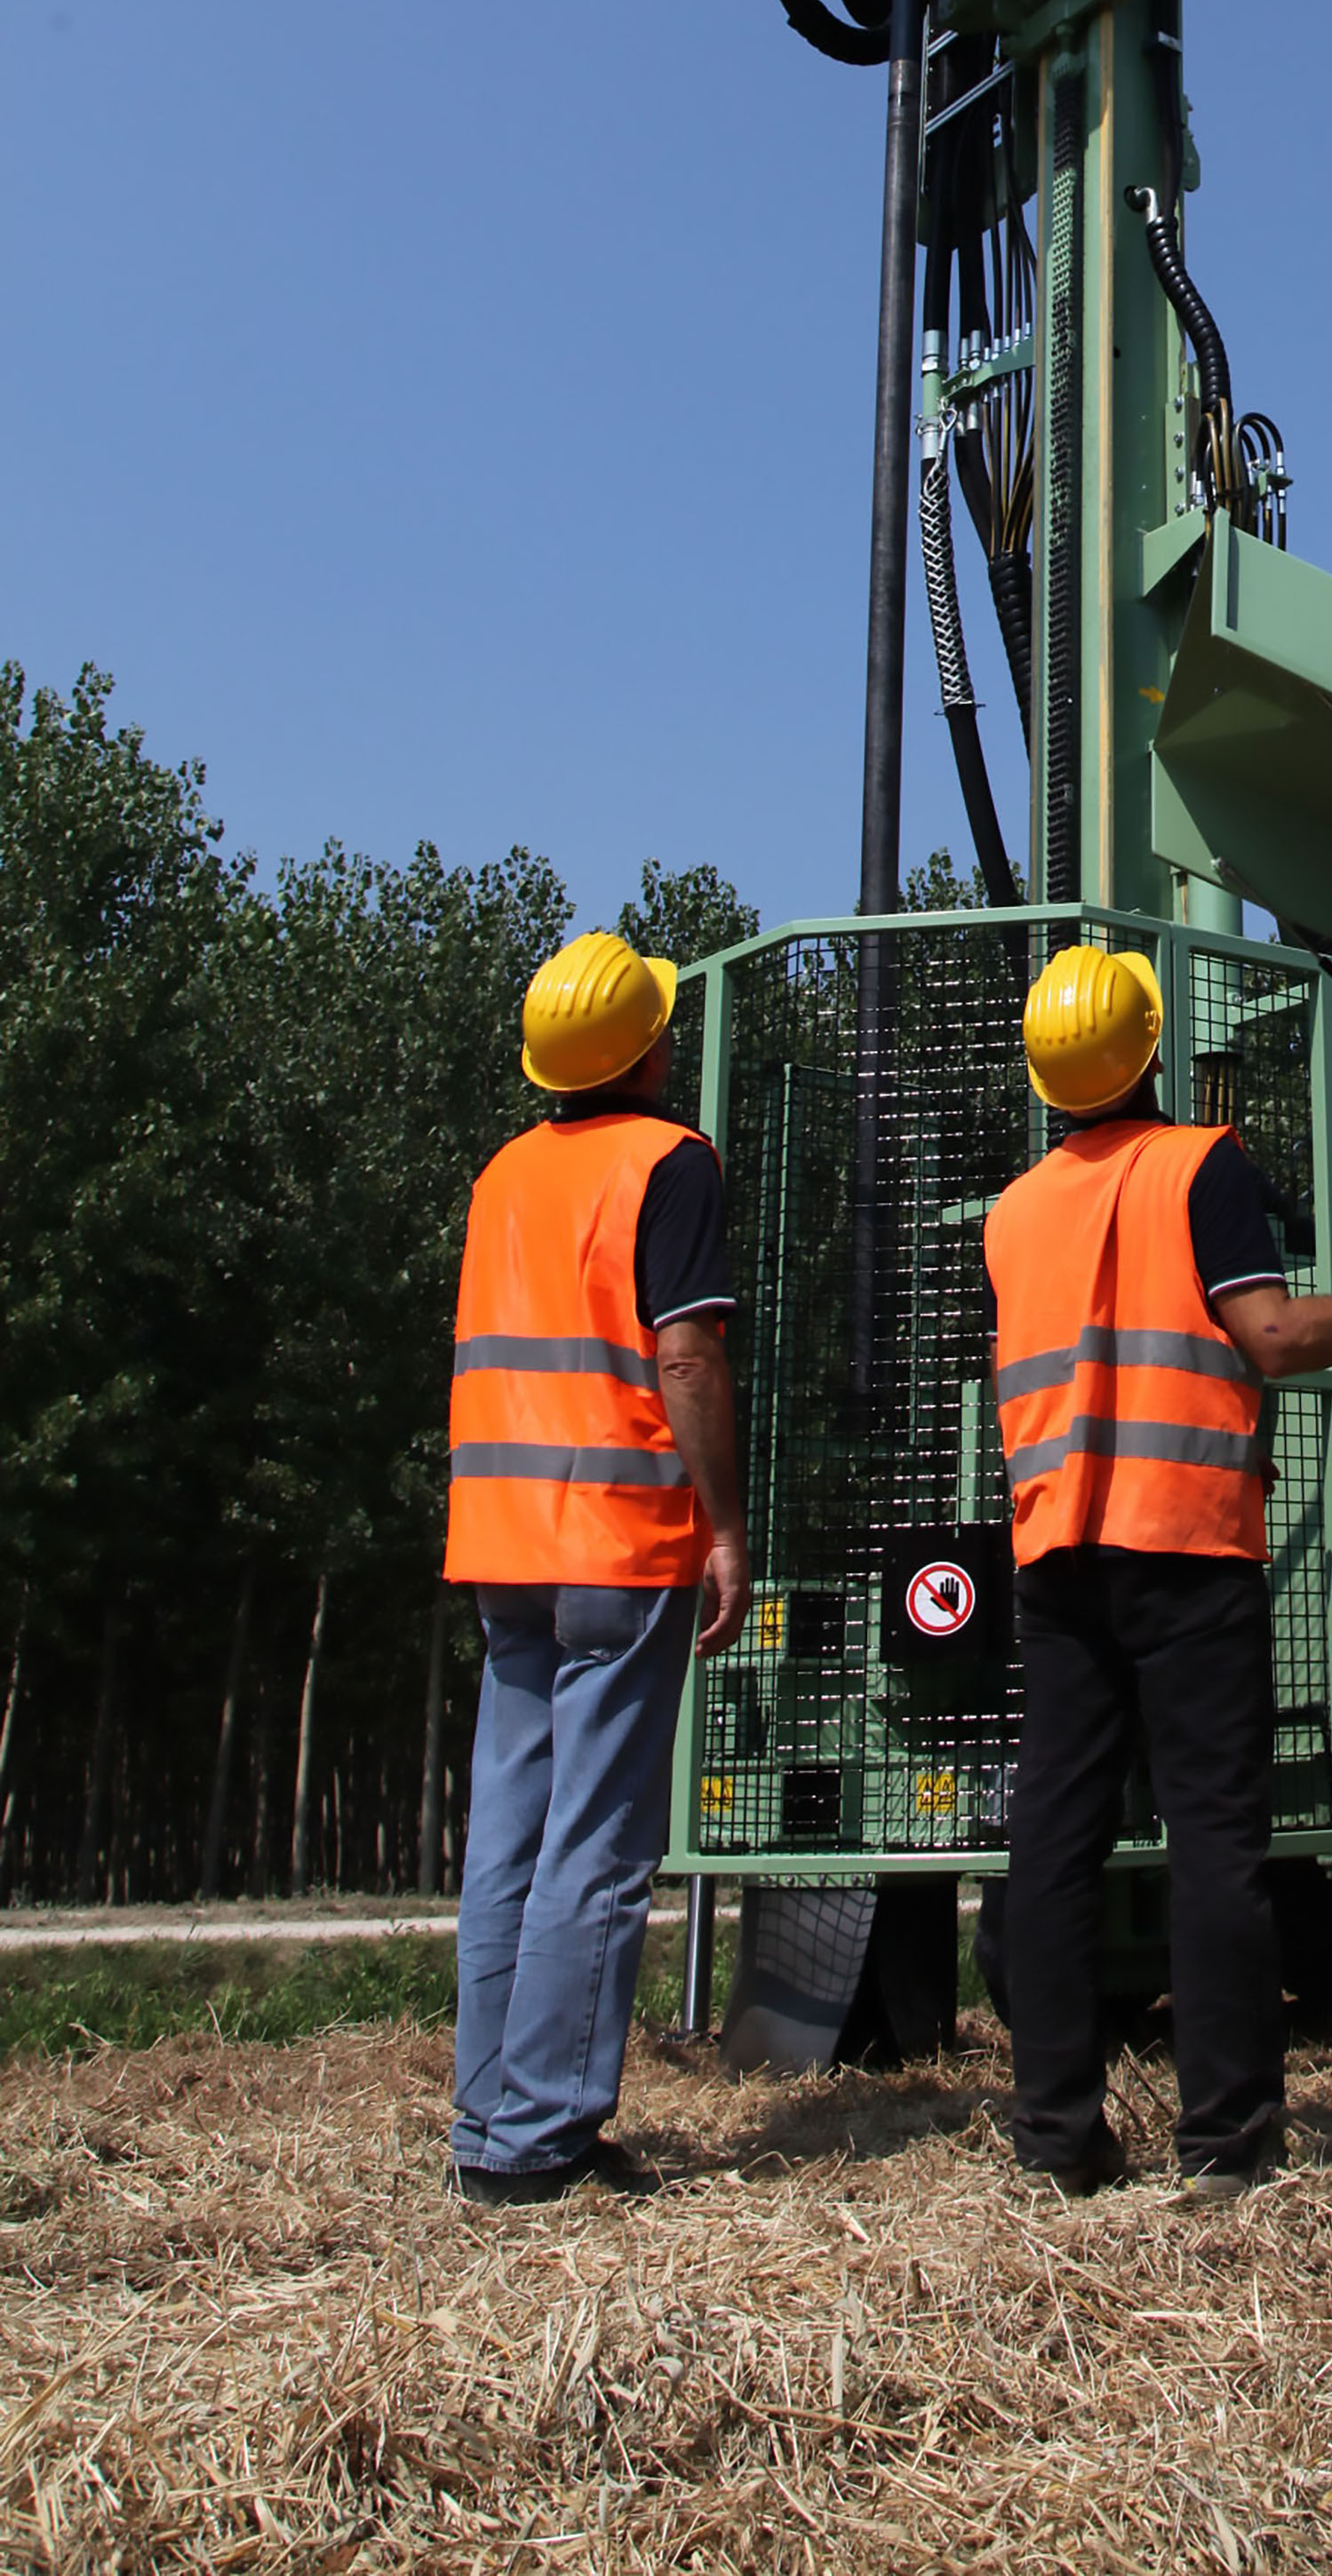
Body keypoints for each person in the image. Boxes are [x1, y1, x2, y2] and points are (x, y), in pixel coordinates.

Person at [985, 941, 1332, 2203]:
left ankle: (1055, 2138)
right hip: (1185, 1543)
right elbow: (1268, 1335)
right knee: (1214, 1840)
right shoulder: (1199, 1165)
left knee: (1052, 1842)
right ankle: (1223, 2140)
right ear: (1151, 1050)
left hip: (1056, 1553)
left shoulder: (1013, 1208)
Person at [443, 929, 751, 2206]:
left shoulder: (502, 1175)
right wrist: (725, 1525)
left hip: (500, 1541)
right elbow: (685, 1354)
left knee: (509, 1834)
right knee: (598, 1844)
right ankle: (541, 2140)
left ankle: (485, 2120)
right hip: (617, 1542)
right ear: (648, 1049)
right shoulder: (670, 1163)